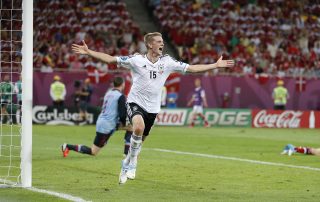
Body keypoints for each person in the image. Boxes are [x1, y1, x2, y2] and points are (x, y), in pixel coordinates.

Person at [72, 32, 235, 184]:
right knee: (138, 127)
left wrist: (215, 65)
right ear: (150, 45)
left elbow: (192, 69)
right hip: (135, 102)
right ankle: (133, 162)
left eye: (163, 42)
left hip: (153, 108)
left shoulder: (167, 62)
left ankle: (127, 161)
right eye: (158, 42)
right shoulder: (136, 60)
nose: (162, 44)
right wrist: (89, 52)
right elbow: (110, 60)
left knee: (139, 141)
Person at [61, 77, 133, 157]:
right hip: (108, 125)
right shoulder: (120, 96)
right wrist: (124, 123)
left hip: (102, 122)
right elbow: (122, 114)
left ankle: (127, 154)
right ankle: (67, 146)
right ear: (123, 84)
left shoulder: (108, 94)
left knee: (130, 128)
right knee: (93, 151)